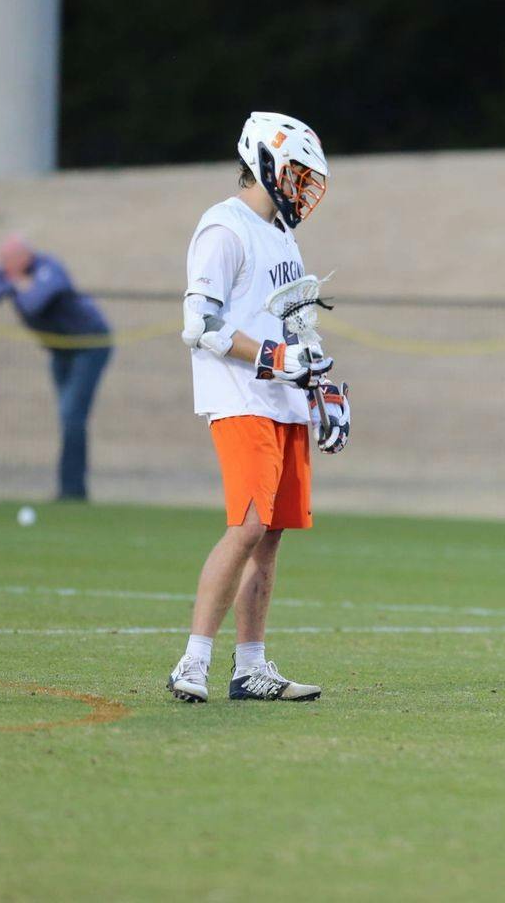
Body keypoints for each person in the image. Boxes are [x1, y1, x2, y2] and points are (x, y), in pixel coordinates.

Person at [168, 111, 351, 704]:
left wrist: (322, 387)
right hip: (242, 397)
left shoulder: (284, 237)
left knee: (270, 535)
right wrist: (275, 358)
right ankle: (192, 661)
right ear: (265, 164)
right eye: (296, 173)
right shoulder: (223, 227)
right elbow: (200, 325)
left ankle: (250, 667)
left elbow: (299, 326)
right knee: (247, 524)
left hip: (284, 402)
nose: (303, 188)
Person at [0, 236, 112, 501]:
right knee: (67, 417)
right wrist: (17, 283)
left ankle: (72, 491)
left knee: (72, 415)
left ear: (23, 257)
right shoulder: (10, 274)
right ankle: (71, 488)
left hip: (90, 345)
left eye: (7, 261)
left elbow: (34, 302)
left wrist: (13, 285)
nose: (2, 267)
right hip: (60, 352)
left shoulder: (49, 267)